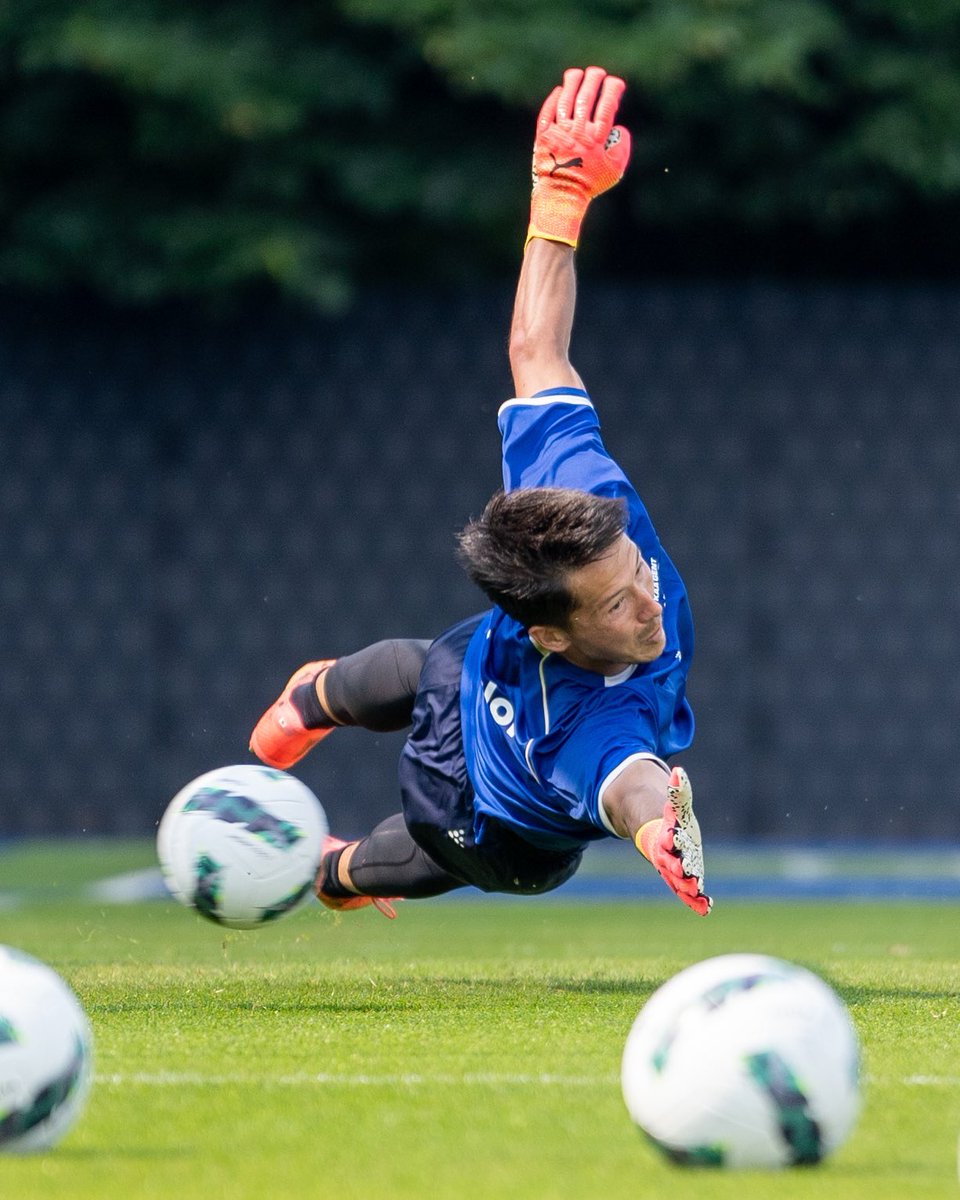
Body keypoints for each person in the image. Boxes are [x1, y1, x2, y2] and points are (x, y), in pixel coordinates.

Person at [250, 66, 711, 919]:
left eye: (636, 573)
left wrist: (560, 197)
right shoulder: (572, 688)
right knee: (424, 682)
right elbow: (533, 348)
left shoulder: (585, 509)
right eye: (614, 604)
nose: (649, 604)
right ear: (549, 632)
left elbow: (537, 351)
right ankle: (317, 698)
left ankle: (338, 871)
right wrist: (662, 834)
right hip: (476, 740)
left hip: (502, 801)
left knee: (433, 793)